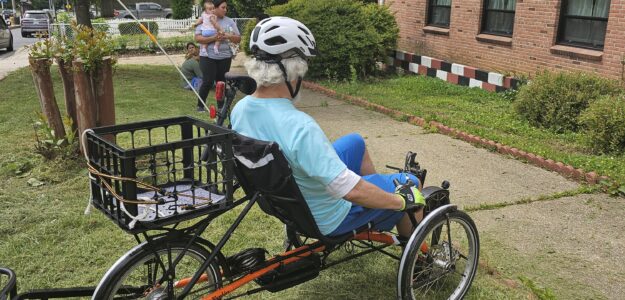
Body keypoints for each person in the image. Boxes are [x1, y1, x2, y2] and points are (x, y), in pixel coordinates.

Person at [231, 17, 425, 239]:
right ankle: (418, 261)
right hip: (328, 216)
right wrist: (399, 200)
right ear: (293, 73)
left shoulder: (241, 108)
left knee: (356, 142)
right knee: (411, 185)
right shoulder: (300, 126)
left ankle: (376, 206)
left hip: (291, 203)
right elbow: (349, 190)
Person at [194, 0, 241, 112]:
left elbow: (238, 38)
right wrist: (214, 38)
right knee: (208, 81)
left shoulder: (229, 21)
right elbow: (197, 38)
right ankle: (200, 106)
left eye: (226, 8)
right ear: (214, 8)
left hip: (225, 57)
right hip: (208, 56)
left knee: (221, 82)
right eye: (223, 7)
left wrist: (227, 35)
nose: (225, 10)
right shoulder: (204, 19)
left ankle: (221, 106)